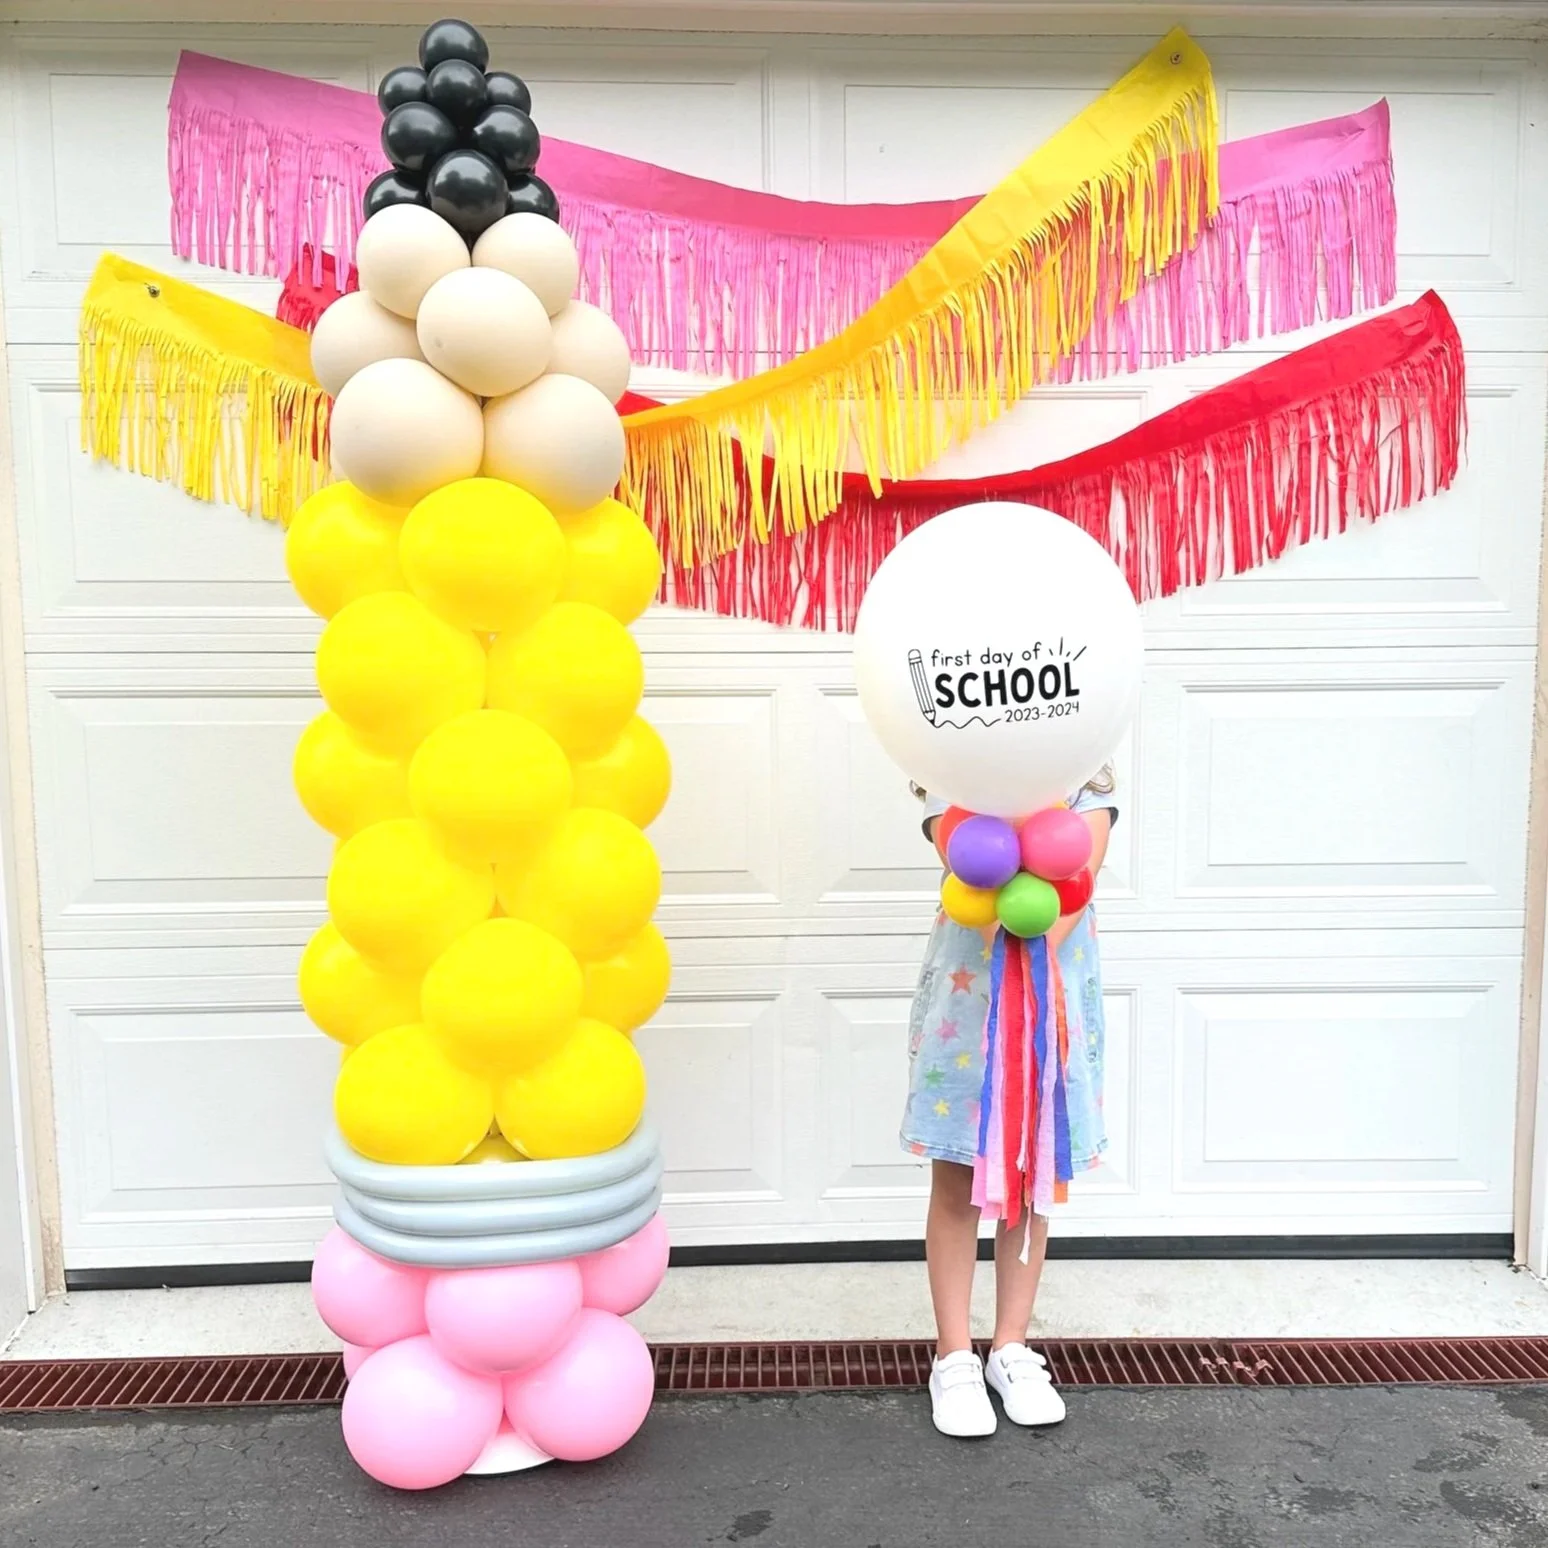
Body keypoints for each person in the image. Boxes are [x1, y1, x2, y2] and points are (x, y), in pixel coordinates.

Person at [902, 771, 1116, 1438]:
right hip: (969, 1005)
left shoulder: (1088, 765)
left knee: (1031, 1172)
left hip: (1050, 991)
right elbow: (964, 855)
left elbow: (1079, 871)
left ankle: (1011, 1347)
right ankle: (954, 1356)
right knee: (960, 1177)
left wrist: (1031, 958)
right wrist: (1006, 953)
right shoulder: (952, 759)